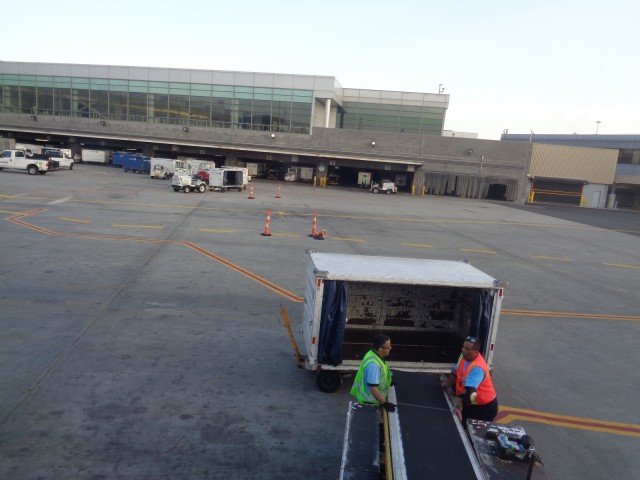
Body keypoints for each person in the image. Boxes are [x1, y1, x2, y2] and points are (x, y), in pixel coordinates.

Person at [440, 336, 498, 424]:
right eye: (463, 347)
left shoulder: (477, 368)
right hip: (472, 402)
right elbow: (454, 373)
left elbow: (470, 392)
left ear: (475, 352)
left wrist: (459, 407)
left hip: (484, 407)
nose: (463, 350)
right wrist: (446, 386)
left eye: (467, 349)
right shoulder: (464, 356)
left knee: (473, 433)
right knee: (462, 424)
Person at [350, 334, 396, 413]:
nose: (390, 348)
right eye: (388, 347)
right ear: (381, 349)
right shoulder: (373, 366)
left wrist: (389, 380)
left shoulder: (372, 353)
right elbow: (373, 388)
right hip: (370, 403)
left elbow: (381, 374)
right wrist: (384, 403)